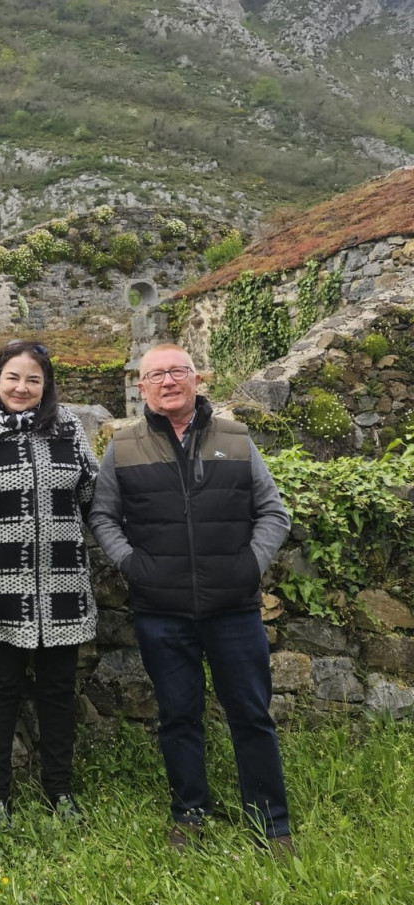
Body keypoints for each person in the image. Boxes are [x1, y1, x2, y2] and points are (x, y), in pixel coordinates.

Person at [89, 343, 294, 852]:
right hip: (161, 612)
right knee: (178, 716)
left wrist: (249, 564)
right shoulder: (124, 446)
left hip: (234, 609)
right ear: (143, 387)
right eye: (155, 375)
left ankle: (272, 824)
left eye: (177, 371)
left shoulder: (237, 438)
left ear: (197, 378)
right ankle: (189, 815)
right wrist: (134, 565)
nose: (167, 382)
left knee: (251, 715)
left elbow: (274, 512)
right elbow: (103, 518)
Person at [0, 341, 98, 819]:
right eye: (13, 377)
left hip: (64, 587)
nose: (22, 387)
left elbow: (94, 493)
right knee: (1, 690)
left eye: (34, 379)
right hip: (1, 589)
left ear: (46, 386)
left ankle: (60, 791)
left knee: (57, 692)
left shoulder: (70, 431)